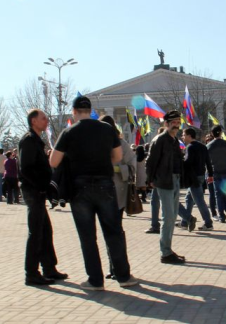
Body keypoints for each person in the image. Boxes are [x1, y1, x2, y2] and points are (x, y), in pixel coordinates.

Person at [50, 96, 138, 290]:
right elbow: (117, 156)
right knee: (114, 232)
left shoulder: (69, 132)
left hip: (79, 188)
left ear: (73, 112)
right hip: (105, 185)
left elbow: (54, 162)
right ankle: (124, 276)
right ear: (90, 110)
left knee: (88, 237)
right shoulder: (107, 129)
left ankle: (95, 280)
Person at [18, 109, 66, 286]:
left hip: (38, 190)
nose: (46, 121)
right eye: (43, 118)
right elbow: (26, 168)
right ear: (33, 121)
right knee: (36, 232)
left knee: (45, 230)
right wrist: (39, 187)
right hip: (33, 191)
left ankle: (49, 268)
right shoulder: (29, 140)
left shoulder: (36, 140)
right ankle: (31, 273)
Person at [145, 110, 186, 265]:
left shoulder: (174, 140)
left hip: (174, 179)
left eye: (178, 122)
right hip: (164, 180)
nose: (176, 125)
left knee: (173, 216)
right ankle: (165, 253)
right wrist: (150, 180)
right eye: (173, 122)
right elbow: (151, 161)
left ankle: (168, 249)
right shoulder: (160, 139)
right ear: (166, 124)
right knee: (168, 217)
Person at [178, 127, 214, 231]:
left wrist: (180, 161)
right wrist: (210, 174)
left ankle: (208, 223)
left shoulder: (190, 147)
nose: (182, 137)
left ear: (189, 136)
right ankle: (185, 222)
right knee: (188, 199)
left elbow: (188, 162)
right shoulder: (203, 146)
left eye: (184, 135)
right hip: (201, 176)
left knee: (199, 201)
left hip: (193, 178)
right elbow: (208, 161)